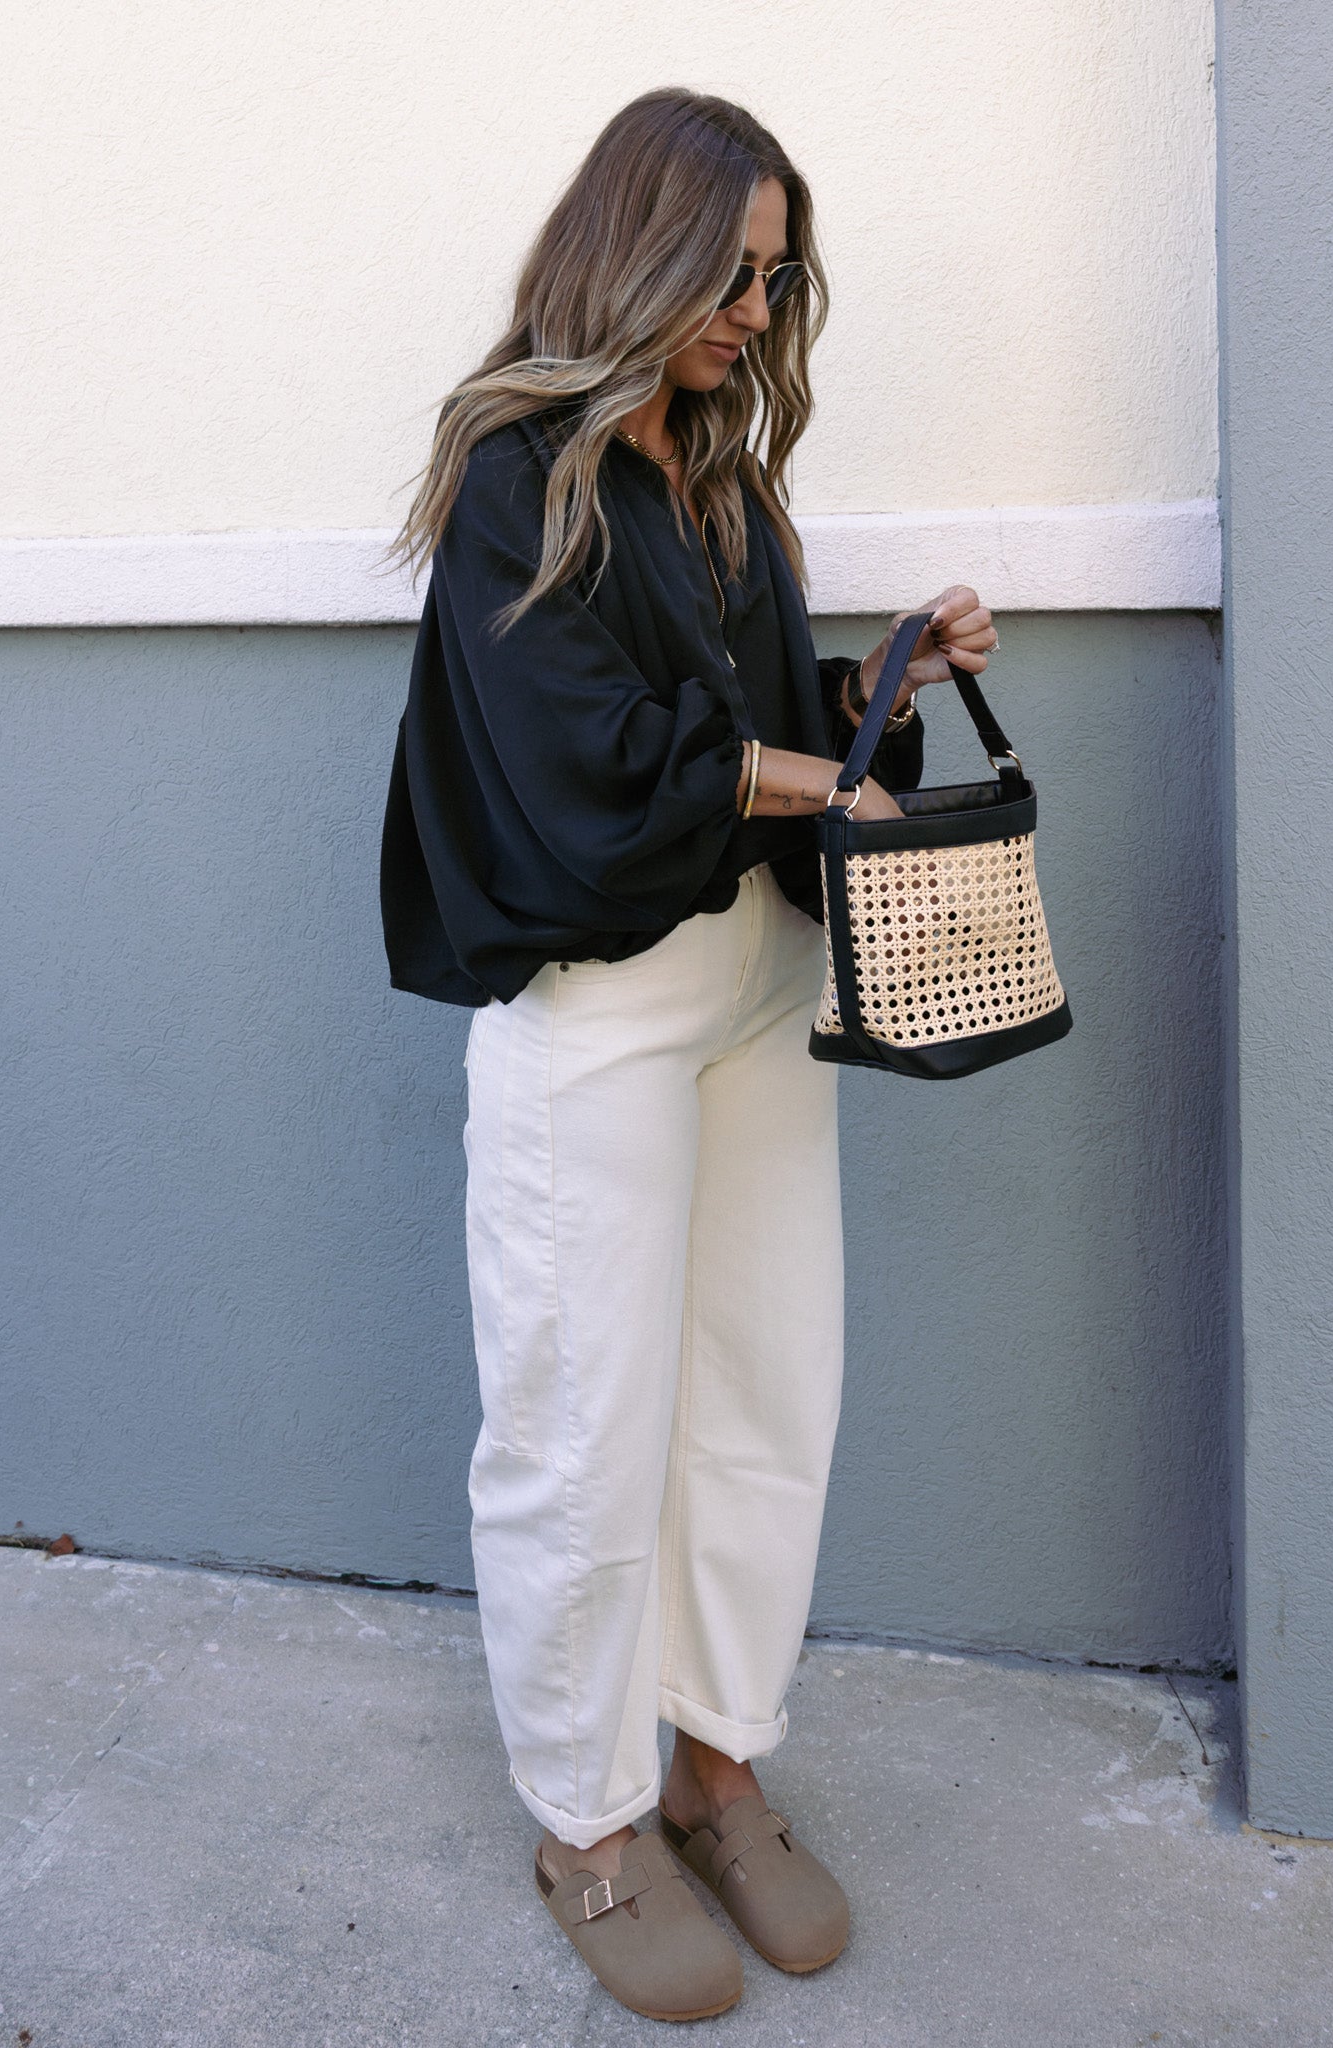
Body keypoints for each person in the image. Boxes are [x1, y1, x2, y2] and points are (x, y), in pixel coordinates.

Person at [379, 88, 999, 2023]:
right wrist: (815, 773)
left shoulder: (724, 468)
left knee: (766, 1387)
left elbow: (747, 717)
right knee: (580, 1419)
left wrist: (883, 682)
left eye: (774, 276)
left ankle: (716, 1765)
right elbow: (588, 751)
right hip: (599, 1004)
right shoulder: (518, 470)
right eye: (729, 270)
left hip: (754, 984)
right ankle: (586, 1818)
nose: (753, 308)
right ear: (635, 247)